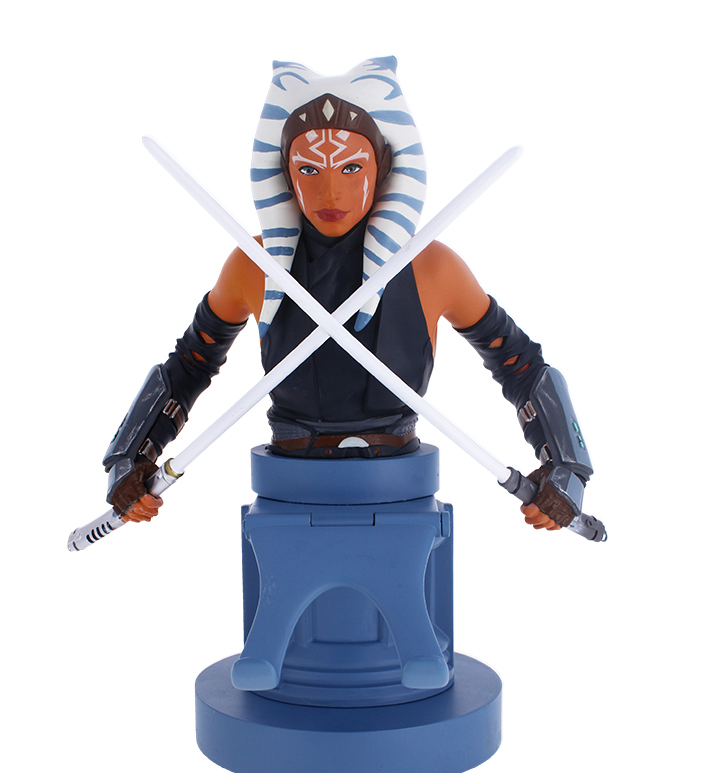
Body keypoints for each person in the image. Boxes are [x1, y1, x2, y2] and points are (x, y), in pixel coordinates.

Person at [101, 58, 594, 538]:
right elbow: (191, 363)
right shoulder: (254, 264)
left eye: (351, 167)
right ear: (285, 174)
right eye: (310, 170)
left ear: (383, 169)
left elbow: (518, 363)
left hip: (401, 494)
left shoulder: (431, 266)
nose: (330, 192)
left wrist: (565, 467)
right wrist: (130, 456)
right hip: (287, 492)